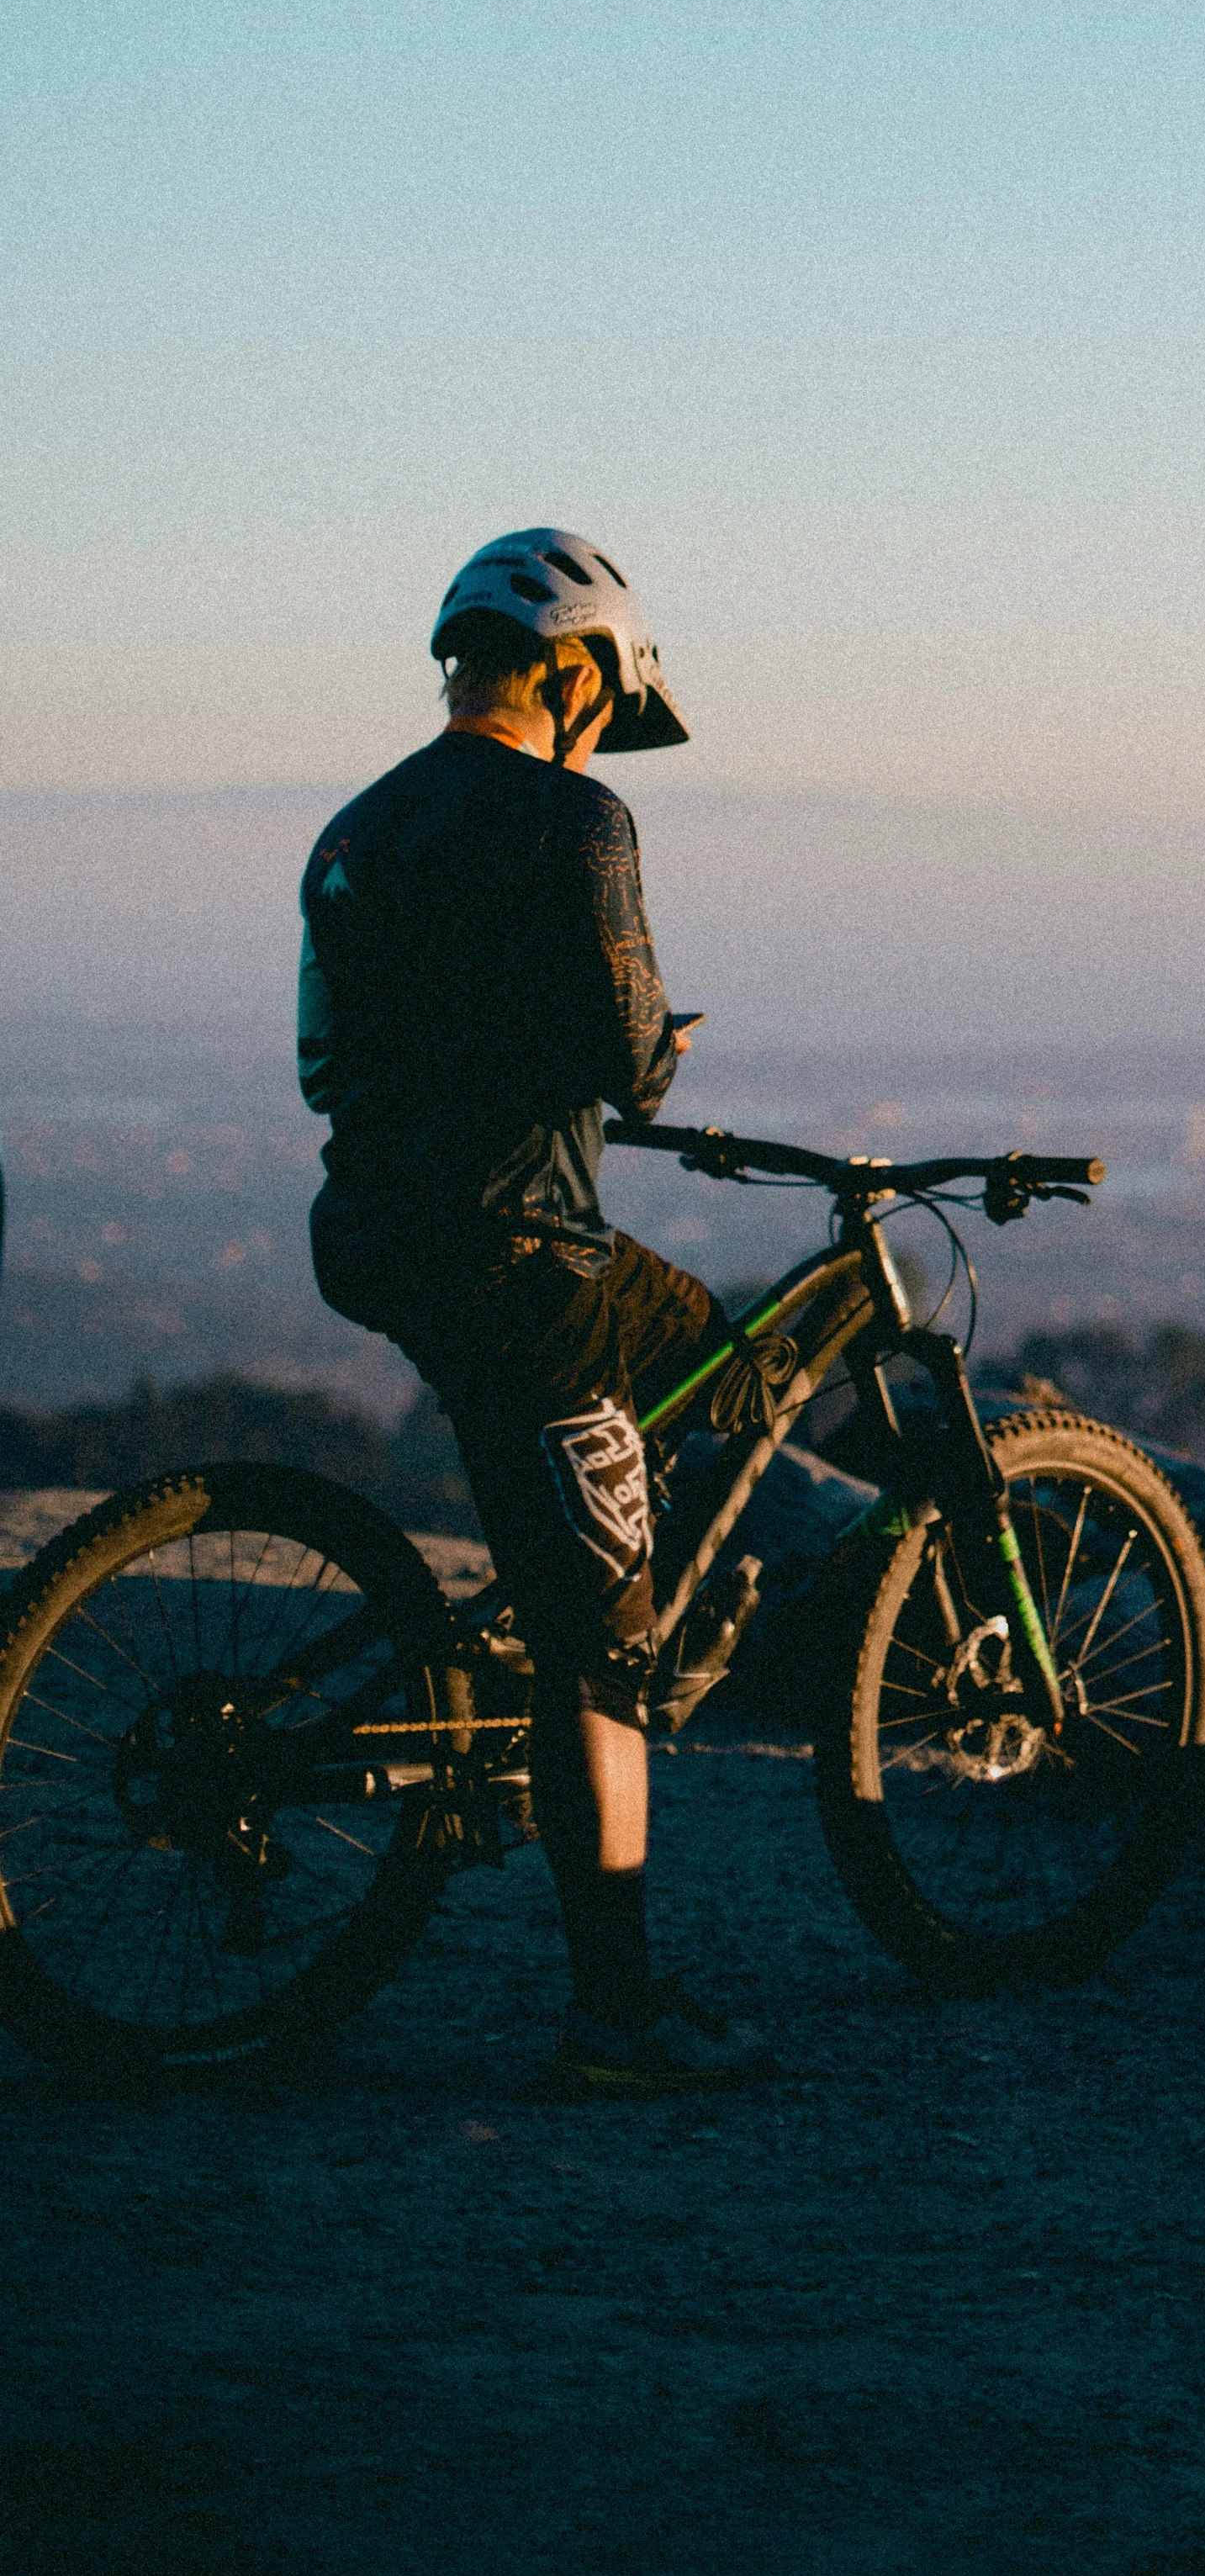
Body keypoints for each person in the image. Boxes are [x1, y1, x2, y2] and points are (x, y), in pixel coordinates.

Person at [299, 526, 772, 2091]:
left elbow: (337, 1062)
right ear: (573, 671)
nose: (604, 735)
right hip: (519, 1250)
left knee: (701, 1335)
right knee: (599, 1653)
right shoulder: (578, 819)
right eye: (606, 703)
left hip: (371, 1226)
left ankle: (594, 1566)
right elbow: (631, 1058)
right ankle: (618, 2017)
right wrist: (660, 1053)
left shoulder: (356, 829)